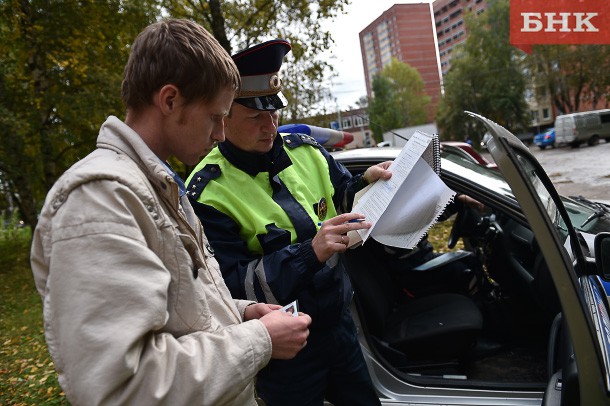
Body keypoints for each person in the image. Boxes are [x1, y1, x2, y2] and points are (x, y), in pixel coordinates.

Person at [30, 19, 312, 406]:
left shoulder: (154, 185)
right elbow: (124, 388)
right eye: (215, 116)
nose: (220, 135)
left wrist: (241, 312)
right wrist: (259, 340)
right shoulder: (99, 200)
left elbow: (178, 306)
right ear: (169, 100)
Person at [186, 39, 390, 406]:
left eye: (275, 113)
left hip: (339, 326)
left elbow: (340, 195)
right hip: (283, 351)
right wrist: (310, 252)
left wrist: (364, 184)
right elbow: (232, 287)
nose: (270, 126)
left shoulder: (307, 151)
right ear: (224, 116)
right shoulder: (207, 192)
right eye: (255, 117)